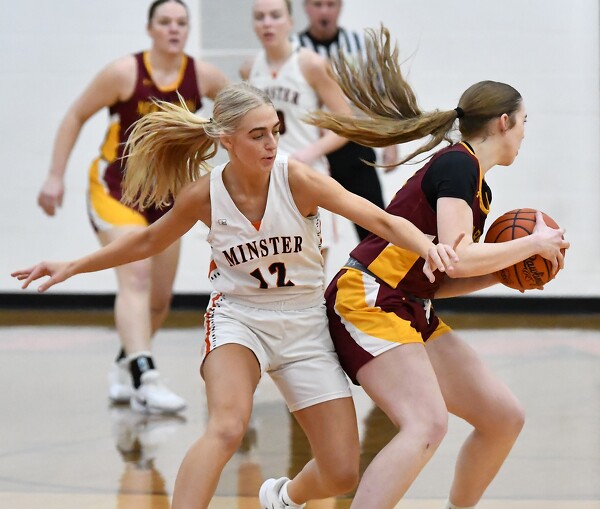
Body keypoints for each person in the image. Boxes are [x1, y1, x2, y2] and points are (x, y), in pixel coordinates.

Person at [13, 82, 459, 509]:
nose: (271, 143)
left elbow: (379, 220)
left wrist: (428, 248)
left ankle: (284, 498)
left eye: (275, 131)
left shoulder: (297, 179)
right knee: (227, 426)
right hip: (239, 318)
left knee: (341, 472)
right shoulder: (203, 195)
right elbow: (147, 241)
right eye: (257, 134)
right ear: (227, 140)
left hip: (305, 324)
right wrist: (73, 265)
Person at [308, 27, 570, 509]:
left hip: (411, 303)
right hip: (369, 296)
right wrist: (531, 243)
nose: (525, 134)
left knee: (502, 417)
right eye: (524, 122)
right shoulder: (457, 165)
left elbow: (443, 275)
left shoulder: (477, 183)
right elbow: (459, 251)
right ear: (505, 122)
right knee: (426, 424)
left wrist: (505, 272)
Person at [36, 0, 228, 414]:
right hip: (116, 191)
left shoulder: (203, 76)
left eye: (181, 22)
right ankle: (146, 378)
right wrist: (55, 175)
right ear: (150, 28)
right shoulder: (124, 72)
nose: (174, 29)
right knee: (136, 275)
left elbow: (242, 114)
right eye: (165, 22)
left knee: (159, 300)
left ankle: (126, 364)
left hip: (168, 196)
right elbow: (75, 115)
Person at [241, 0, 353, 258]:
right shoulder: (249, 68)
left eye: (275, 16)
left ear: (290, 22)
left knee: (312, 263)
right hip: (266, 178)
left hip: (307, 172)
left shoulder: (311, 64)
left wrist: (307, 153)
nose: (267, 23)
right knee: (271, 263)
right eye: (260, 17)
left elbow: (346, 124)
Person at [296, 0, 397, 241]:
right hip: (311, 148)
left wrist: (391, 140)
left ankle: (381, 266)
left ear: (340, 6)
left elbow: (383, 93)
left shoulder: (360, 45)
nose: (324, 11)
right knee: (307, 230)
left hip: (354, 143)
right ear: (306, 7)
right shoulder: (294, 49)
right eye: (317, 4)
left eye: (330, 4)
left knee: (375, 226)